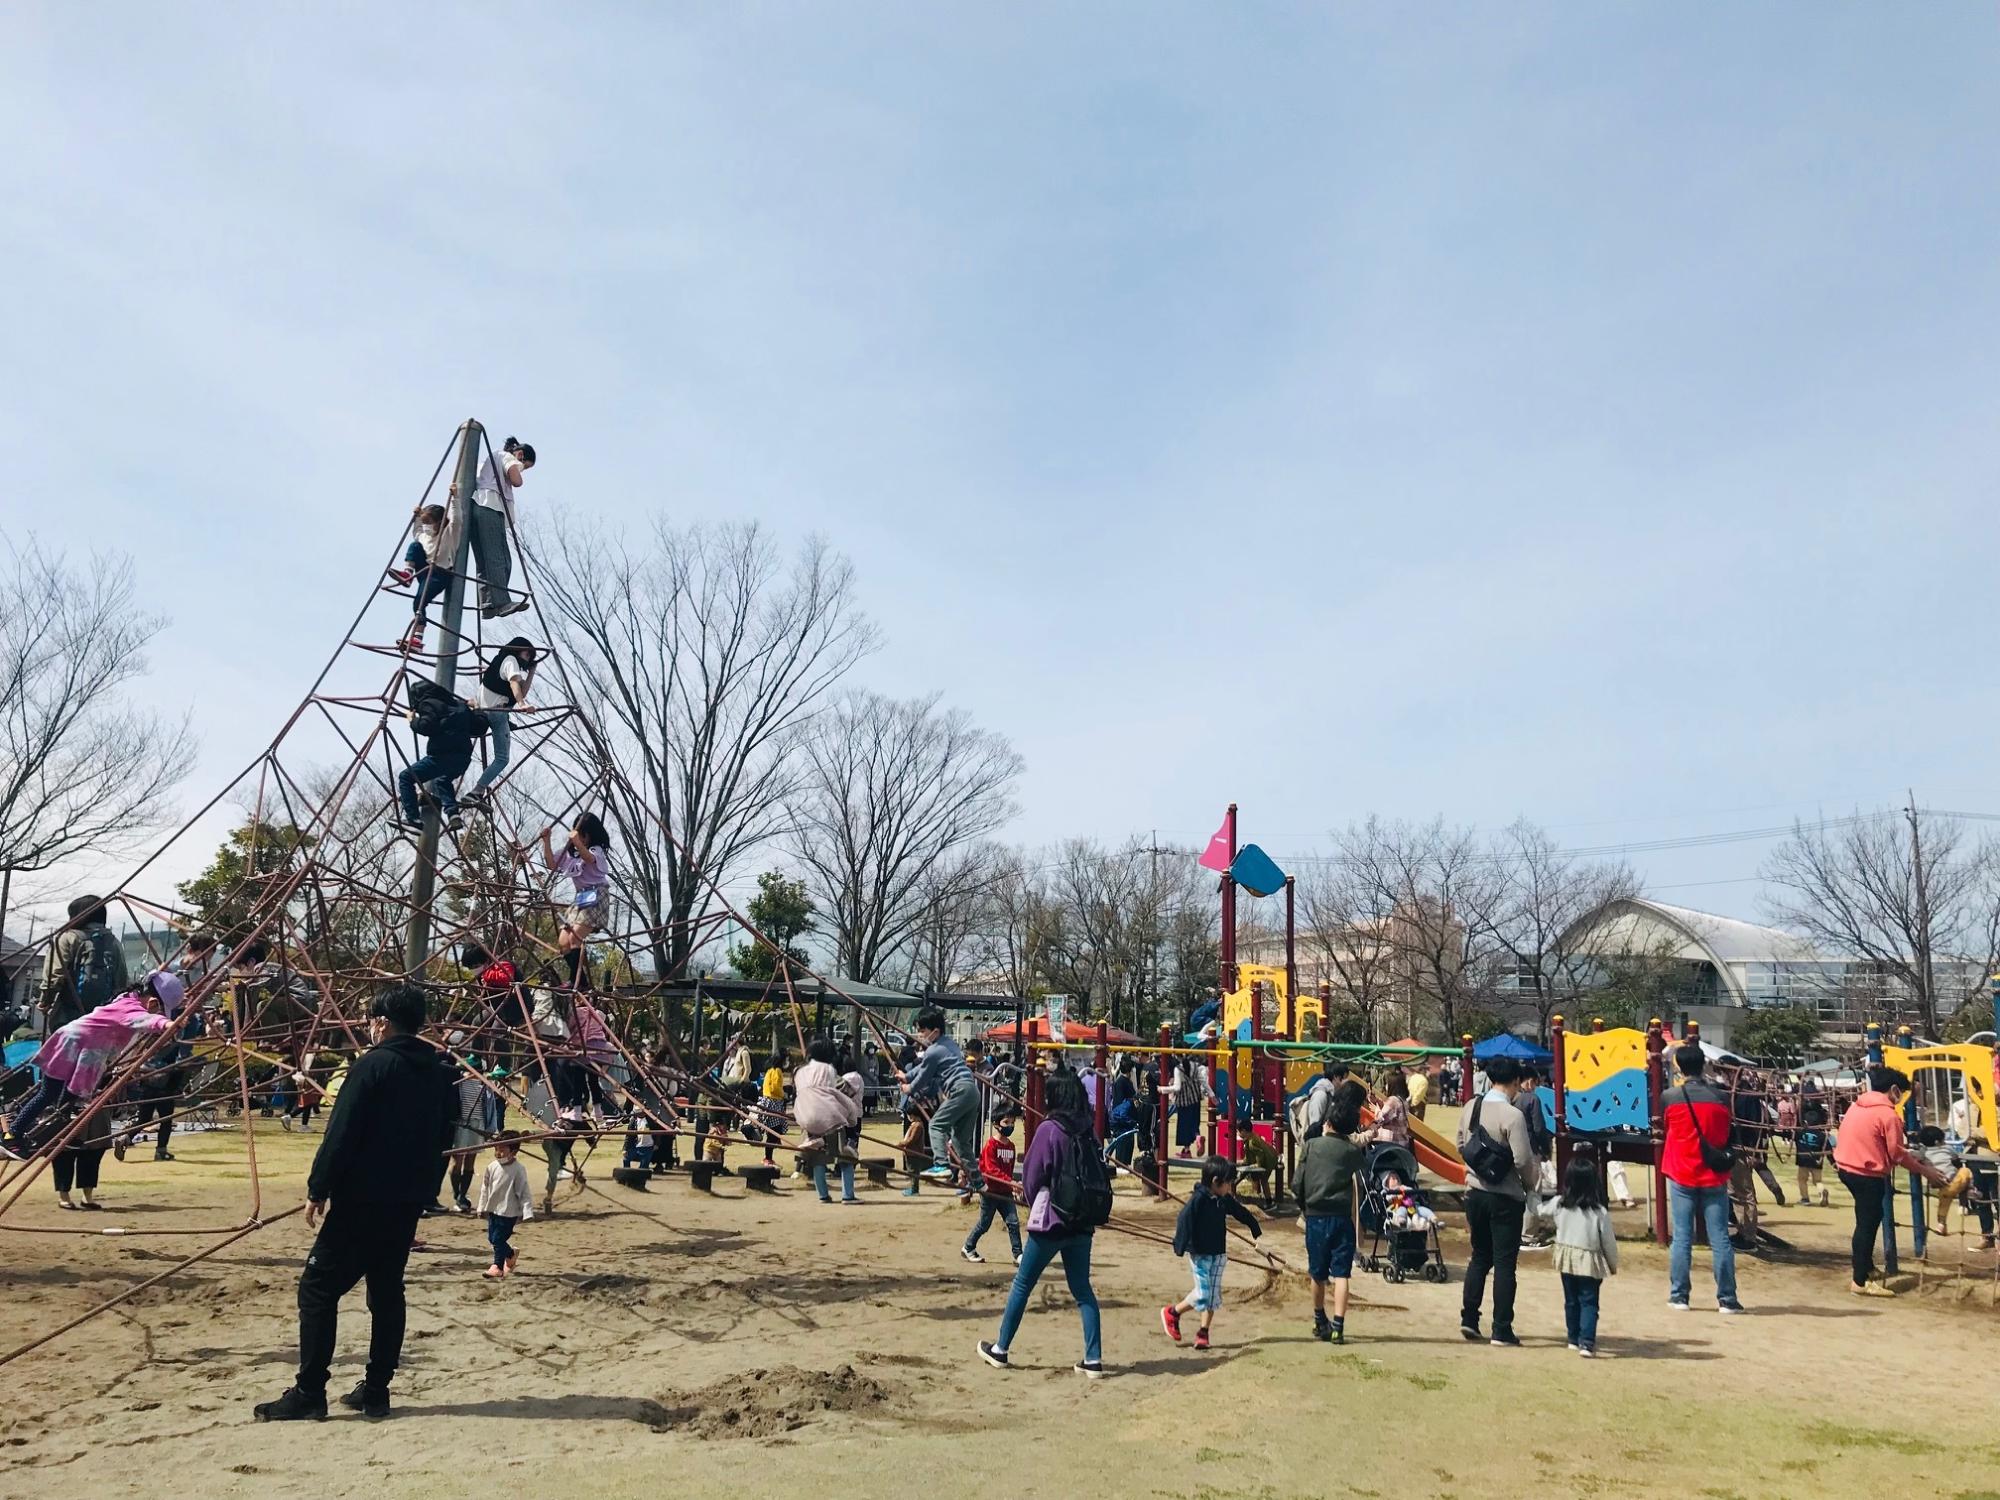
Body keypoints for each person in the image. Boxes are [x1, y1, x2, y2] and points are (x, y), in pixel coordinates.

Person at [254, 984, 455, 1423]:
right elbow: (444, 1138)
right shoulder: (439, 1073)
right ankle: (377, 1390)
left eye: (370, 1019)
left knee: (317, 1289)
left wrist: (318, 1188)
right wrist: (422, 1190)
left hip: (362, 1199)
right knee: (386, 1291)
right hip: (404, 1203)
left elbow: (341, 1132)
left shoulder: (373, 1066)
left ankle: (309, 1392)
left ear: (381, 1022)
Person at [978, 1070, 1105, 1377]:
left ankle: (1001, 1349)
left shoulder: (1049, 1129)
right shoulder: (1089, 1130)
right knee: (1083, 1290)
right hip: (1083, 1222)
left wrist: (1028, 1198)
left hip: (1051, 1222)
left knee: (1023, 1283)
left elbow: (1033, 1177)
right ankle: (1093, 1360)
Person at [3, 971, 182, 1153]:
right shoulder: (132, 1009)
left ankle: (63, 1134)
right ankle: (12, 1135)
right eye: (159, 1009)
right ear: (152, 1003)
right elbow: (148, 1020)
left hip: (83, 1049)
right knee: (49, 1093)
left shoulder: (128, 998)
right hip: (72, 1046)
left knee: (70, 1097)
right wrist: (167, 1024)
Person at [1833, 1066, 1951, 1296]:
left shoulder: (1857, 1106)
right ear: (1894, 1089)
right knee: (1867, 1225)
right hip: (1867, 1175)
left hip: (1846, 1168)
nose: (1902, 1099)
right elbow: (1896, 1154)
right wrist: (1925, 1170)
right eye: (1902, 1094)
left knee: (1865, 1219)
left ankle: (1865, 1267)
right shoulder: (1887, 1114)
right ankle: (1859, 1282)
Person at [1456, 1054, 1538, 1346]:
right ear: (1515, 1081)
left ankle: (1469, 1319)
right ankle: (1501, 1328)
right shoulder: (1513, 1116)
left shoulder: (1471, 1106)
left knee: (1479, 1256)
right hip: (1505, 1197)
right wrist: (1531, 1186)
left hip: (1475, 1192)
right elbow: (1523, 1160)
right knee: (1505, 1264)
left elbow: (1461, 1144)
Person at [1661, 1044, 1745, 1314]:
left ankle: (1679, 1295)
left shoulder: (1670, 1097)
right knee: (1720, 1238)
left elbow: (1666, 1127)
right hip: (1714, 1173)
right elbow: (1725, 1134)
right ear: (1704, 1065)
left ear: (1679, 1067)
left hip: (1681, 1171)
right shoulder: (1721, 1097)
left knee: (1682, 1237)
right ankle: (1727, 1298)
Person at [1163, 1156, 1264, 1350]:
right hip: (1200, 1253)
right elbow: (1184, 1220)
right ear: (1216, 1182)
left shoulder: (1222, 1198)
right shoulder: (1198, 1199)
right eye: (1228, 1184)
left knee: (1211, 1296)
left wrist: (1254, 1226)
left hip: (1218, 1253)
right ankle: (1173, 1312)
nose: (1229, 1188)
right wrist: (1180, 1244)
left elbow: (1239, 1211)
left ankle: (1203, 1333)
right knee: (1203, 1293)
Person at [1294, 1100, 1365, 1344]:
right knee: (1342, 1274)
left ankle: (1318, 1319)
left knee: (1318, 1273)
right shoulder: (1351, 1151)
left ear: (1329, 1122)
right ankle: (1338, 1326)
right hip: (1341, 1217)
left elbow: (1297, 1183)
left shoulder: (1311, 1145)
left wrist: (1304, 1206)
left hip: (1315, 1216)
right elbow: (1360, 1167)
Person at [901, 1007, 979, 1189]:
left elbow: (923, 1077)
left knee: (936, 1125)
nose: (919, 1035)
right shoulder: (949, 1045)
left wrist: (909, 1087)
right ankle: (978, 1181)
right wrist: (906, 1076)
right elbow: (922, 1070)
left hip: (959, 1090)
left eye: (922, 1031)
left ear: (935, 1031)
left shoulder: (933, 1051)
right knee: (960, 1141)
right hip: (972, 1092)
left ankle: (941, 1165)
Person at [393, 688, 487, 835]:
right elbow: (480, 728)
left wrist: (412, 720)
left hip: (441, 756)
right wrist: (477, 709)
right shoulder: (460, 706)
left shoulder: (428, 704)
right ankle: (452, 813)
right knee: (442, 781)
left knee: (406, 777)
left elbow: (426, 726)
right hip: (462, 759)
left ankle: (413, 820)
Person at [1552, 1149, 1618, 1358]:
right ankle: (1586, 1342)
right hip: (1589, 1262)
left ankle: (1573, 1337)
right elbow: (1608, 1242)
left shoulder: (1560, 1206)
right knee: (1589, 1302)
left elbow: (1539, 1209)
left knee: (1571, 1300)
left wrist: (1532, 1191)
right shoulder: (1599, 1212)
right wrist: (1612, 1264)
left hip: (1567, 1261)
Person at [465, 435, 535, 620]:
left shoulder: (489, 460)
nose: (523, 470)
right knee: (500, 558)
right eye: (525, 466)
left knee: (484, 560)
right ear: (520, 454)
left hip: (478, 507)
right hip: (490, 507)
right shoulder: (506, 457)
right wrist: (517, 469)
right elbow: (517, 480)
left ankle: (488, 604)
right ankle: (502, 602)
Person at [462, 638, 538, 805]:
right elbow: (514, 684)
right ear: (517, 650)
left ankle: (477, 793)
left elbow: (521, 689)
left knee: (500, 752)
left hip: (484, 710)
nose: (528, 659)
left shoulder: (501, 662)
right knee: (502, 759)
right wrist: (522, 704)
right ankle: (477, 791)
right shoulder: (510, 660)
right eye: (527, 654)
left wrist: (531, 672)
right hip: (497, 711)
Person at [37, 895, 129, 1033]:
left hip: (69, 1017)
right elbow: (122, 982)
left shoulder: (68, 938)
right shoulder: (114, 942)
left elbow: (54, 976)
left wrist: (45, 1001)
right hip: (101, 1020)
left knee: (63, 1052)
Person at [540, 815, 611, 986]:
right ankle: (581, 981)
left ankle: (577, 980)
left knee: (575, 938)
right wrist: (546, 841)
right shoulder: (572, 855)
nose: (580, 839)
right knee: (564, 941)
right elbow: (551, 864)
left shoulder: (596, 851)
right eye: (579, 835)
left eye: (583, 835)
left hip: (596, 895)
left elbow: (589, 858)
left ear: (590, 835)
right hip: (581, 898)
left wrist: (577, 842)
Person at [794, 1038, 862, 1204]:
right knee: (845, 1157)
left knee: (818, 1159)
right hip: (830, 1118)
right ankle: (848, 1195)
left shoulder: (799, 1071)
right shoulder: (828, 1069)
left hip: (805, 1117)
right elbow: (840, 1090)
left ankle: (823, 1195)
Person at [390, 503, 455, 653]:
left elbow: (457, 519)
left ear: (439, 522)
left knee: (419, 602)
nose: (426, 526)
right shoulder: (424, 536)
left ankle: (417, 640)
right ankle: (408, 574)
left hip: (440, 574)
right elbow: (417, 529)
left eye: (429, 523)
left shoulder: (449, 534)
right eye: (425, 523)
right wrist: (417, 516)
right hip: (425, 571)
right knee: (415, 546)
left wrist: (455, 497)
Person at [962, 1110, 1023, 1265]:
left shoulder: (1011, 1146)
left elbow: (1008, 1169)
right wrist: (1010, 1182)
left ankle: (1018, 1255)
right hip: (990, 1192)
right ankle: (968, 1247)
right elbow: (990, 1169)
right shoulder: (991, 1145)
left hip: (1006, 1193)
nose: (1010, 1126)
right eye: (1006, 1123)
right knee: (984, 1224)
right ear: (997, 1125)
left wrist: (1013, 1185)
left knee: (1013, 1222)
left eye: (1012, 1123)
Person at [476, 1138, 534, 1280]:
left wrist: (527, 1211)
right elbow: (485, 1188)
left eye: (502, 1150)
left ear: (513, 1152)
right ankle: (510, 1254)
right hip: (493, 1209)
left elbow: (524, 1191)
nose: (498, 1153)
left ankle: (497, 1267)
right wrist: (481, 1207)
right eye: (496, 1149)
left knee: (498, 1239)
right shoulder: (492, 1167)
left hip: (509, 1211)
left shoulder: (518, 1169)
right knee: (492, 1238)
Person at [1795, 1092, 1831, 1207]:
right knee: (1817, 1181)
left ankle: (1805, 1199)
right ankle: (1822, 1190)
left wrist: (1774, 1132)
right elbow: (1828, 1149)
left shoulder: (1800, 1132)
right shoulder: (1822, 1135)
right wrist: (1833, 1162)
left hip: (1803, 1160)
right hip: (1817, 1160)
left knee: (1802, 1180)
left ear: (1805, 1122)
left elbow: (1787, 1135)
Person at [1369, 1070, 1412, 1147]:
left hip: (1389, 1142)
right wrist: (1377, 1101)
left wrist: (1376, 1109)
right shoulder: (1402, 1100)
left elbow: (1381, 1118)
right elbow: (1391, 1114)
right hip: (1400, 1141)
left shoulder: (1392, 1100)